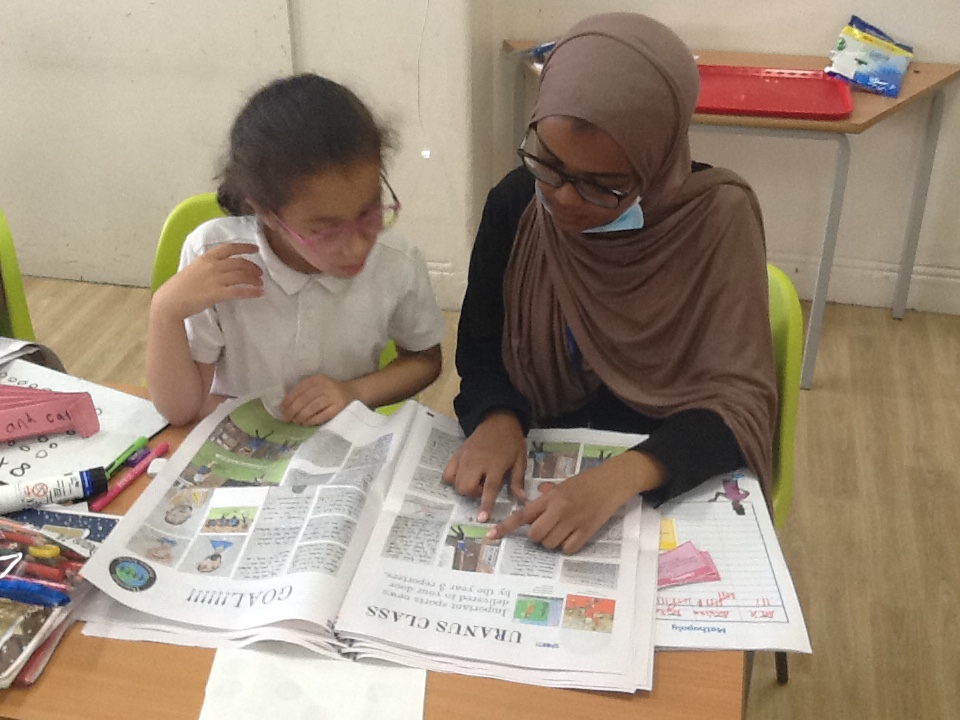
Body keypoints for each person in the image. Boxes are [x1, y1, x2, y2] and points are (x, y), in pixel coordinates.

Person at [443, 13, 777, 554]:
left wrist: (622, 477)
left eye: (605, 186)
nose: (565, 199)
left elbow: (740, 405)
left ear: (658, 162)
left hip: (667, 465)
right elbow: (481, 355)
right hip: (541, 447)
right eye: (548, 163)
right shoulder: (516, 205)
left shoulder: (715, 220)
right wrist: (498, 416)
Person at [147, 74, 445, 427]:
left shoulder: (396, 260)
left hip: (340, 441)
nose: (357, 245)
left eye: (369, 213)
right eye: (325, 231)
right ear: (268, 215)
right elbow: (180, 410)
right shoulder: (218, 257)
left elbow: (425, 359)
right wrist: (164, 313)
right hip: (242, 438)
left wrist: (355, 391)